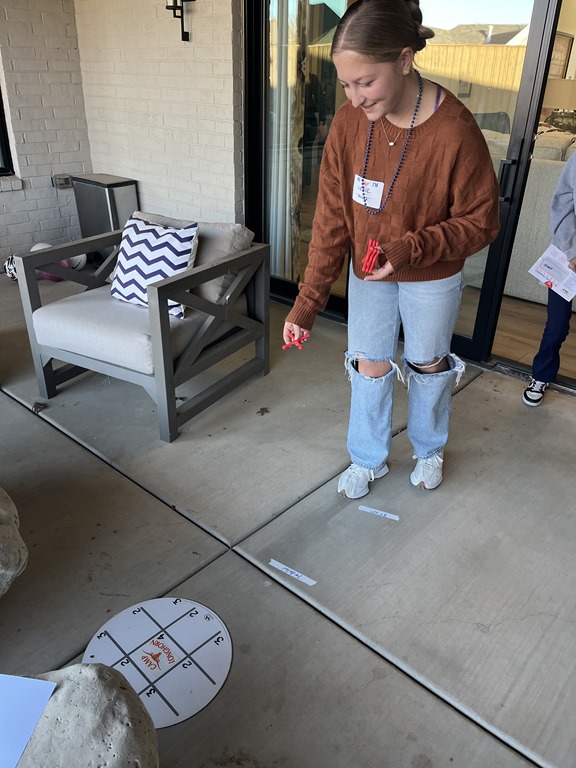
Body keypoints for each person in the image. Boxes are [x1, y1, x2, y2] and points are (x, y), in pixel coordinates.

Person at [283, 0, 500, 499]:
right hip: (368, 273)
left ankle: (429, 449)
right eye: (345, 84)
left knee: (427, 364)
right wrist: (307, 301)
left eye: (366, 82)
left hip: (431, 275)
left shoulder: (454, 129)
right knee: (369, 364)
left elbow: (481, 222)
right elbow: (331, 219)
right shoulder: (348, 123)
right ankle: (368, 458)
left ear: (404, 59)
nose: (354, 98)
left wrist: (408, 249)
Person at [522, 152, 576, 406]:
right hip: (568, 255)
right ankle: (541, 375)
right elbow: (562, 202)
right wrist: (572, 250)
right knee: (557, 324)